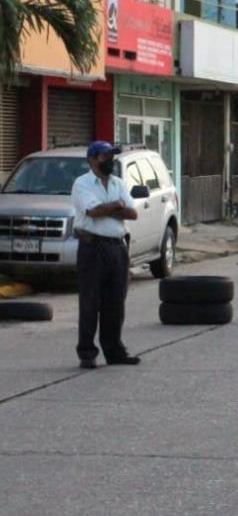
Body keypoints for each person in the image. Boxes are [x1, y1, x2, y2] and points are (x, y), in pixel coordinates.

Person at [70, 141, 141, 369]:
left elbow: (132, 213)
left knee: (115, 302)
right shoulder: (82, 184)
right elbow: (92, 211)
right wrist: (116, 207)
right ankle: (87, 352)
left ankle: (114, 351)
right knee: (90, 301)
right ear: (92, 160)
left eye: (112, 156)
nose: (110, 160)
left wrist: (111, 207)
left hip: (117, 248)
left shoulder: (118, 183)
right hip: (93, 248)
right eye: (104, 156)